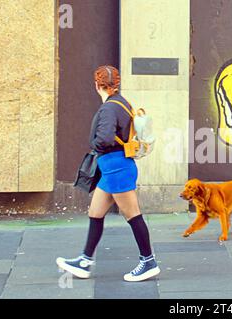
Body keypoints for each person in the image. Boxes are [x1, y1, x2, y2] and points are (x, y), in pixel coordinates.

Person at [56, 65, 160, 282]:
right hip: (114, 167)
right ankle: (85, 261)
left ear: (97, 85)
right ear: (117, 84)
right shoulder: (122, 103)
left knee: (133, 215)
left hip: (117, 168)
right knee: (95, 213)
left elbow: (104, 139)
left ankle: (148, 261)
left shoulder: (108, 109)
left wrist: (92, 143)